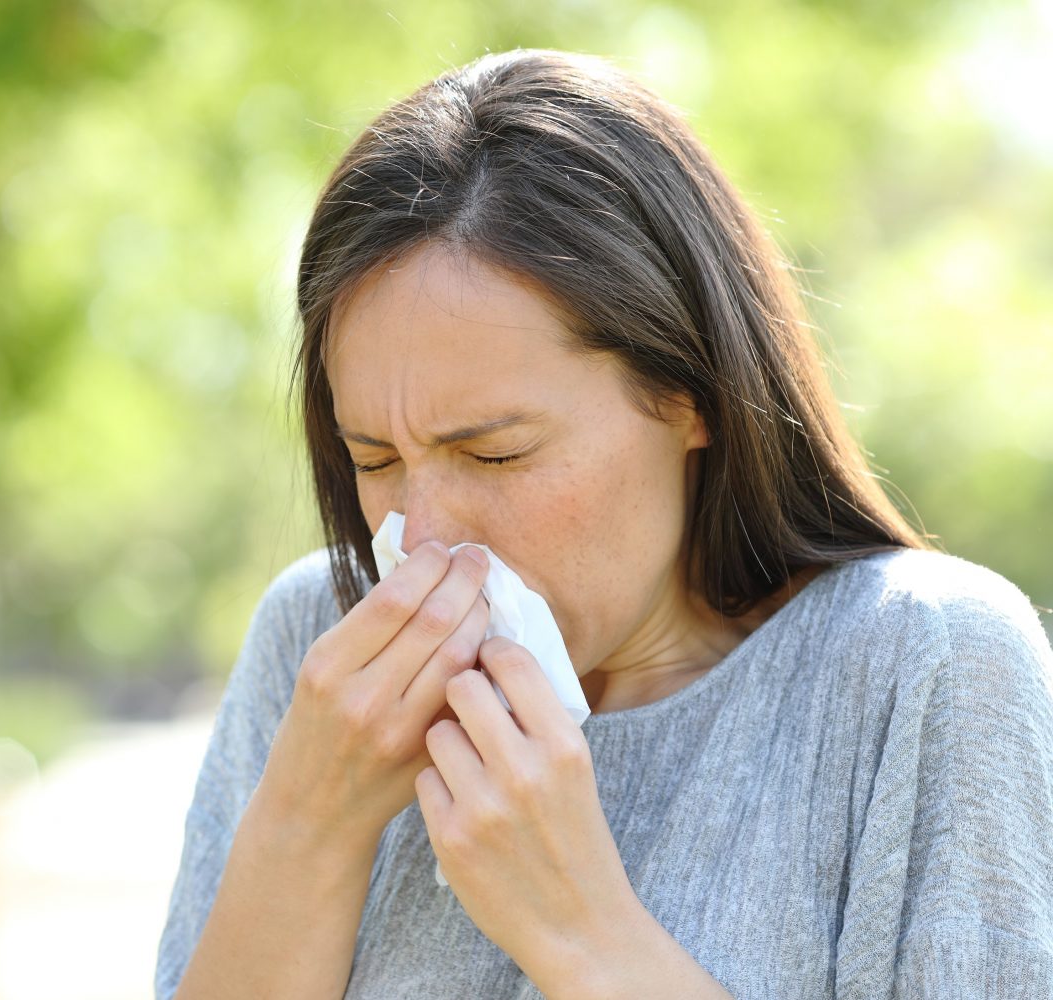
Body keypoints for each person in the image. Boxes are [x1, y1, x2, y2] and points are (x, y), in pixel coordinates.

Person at [155, 48, 1053, 999]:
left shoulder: (921, 665)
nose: (420, 538)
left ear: (689, 393)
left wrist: (582, 934)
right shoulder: (322, 643)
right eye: (374, 460)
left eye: (494, 453)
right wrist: (308, 824)